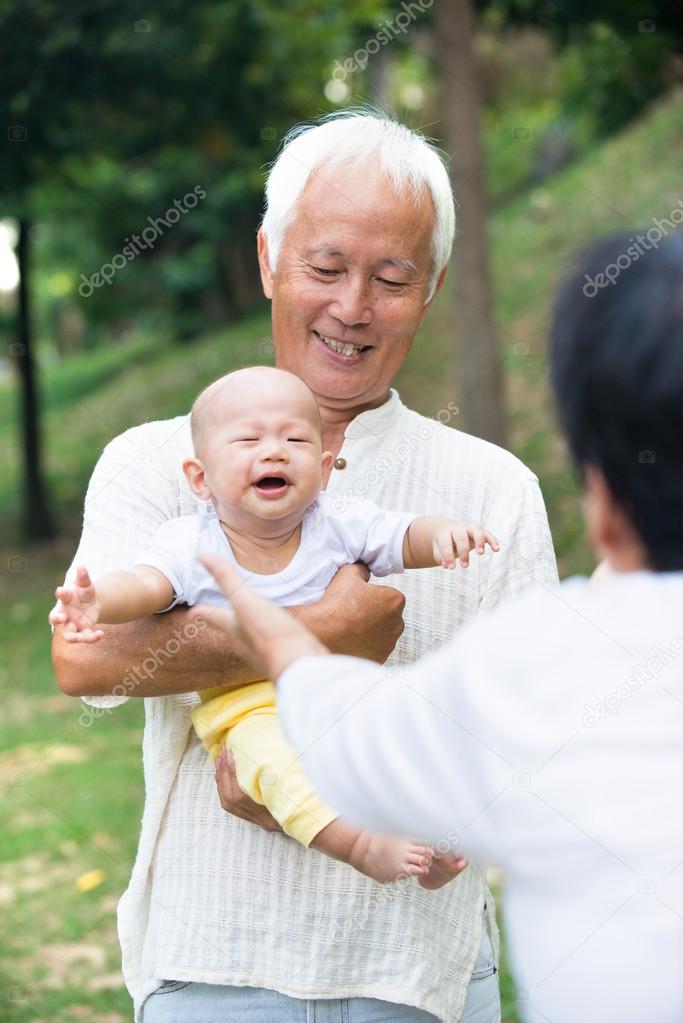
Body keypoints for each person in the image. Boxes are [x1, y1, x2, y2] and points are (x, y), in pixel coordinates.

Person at [53, 111, 557, 1023]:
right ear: (266, 259)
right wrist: (330, 631)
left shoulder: (491, 491)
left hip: (422, 976)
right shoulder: (158, 462)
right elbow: (85, 659)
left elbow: (537, 740)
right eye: (324, 267)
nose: (353, 306)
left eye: (392, 277)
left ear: (432, 285)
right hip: (215, 963)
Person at [199, 232, 683, 1023]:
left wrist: (273, 621)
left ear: (599, 495)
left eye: (392, 277)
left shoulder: (539, 670)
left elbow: (343, 735)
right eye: (326, 268)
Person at [51, 364, 498, 885]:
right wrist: (97, 601)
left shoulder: (337, 522)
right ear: (200, 477)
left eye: (295, 439)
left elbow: (400, 536)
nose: (275, 451)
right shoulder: (191, 541)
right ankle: (363, 846)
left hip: (339, 691)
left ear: (324, 467)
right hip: (246, 708)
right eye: (248, 439)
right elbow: (147, 585)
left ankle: (433, 837)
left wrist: (443, 535)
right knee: (276, 763)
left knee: (399, 735)